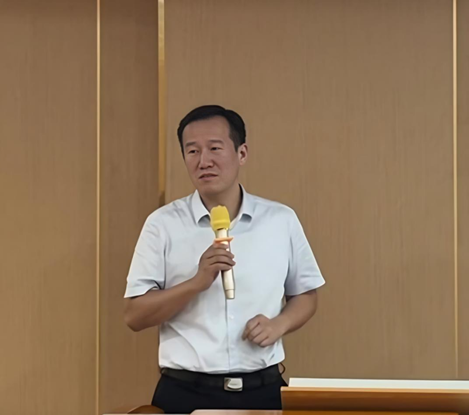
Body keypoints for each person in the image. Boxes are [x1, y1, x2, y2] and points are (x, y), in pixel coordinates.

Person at [124, 105, 325, 414]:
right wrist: (196, 283)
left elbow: (306, 295)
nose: (204, 161)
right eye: (192, 151)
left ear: (241, 153)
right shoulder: (162, 224)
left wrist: (280, 324)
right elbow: (135, 316)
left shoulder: (280, 220)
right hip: (184, 393)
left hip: (264, 390)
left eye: (215, 148)